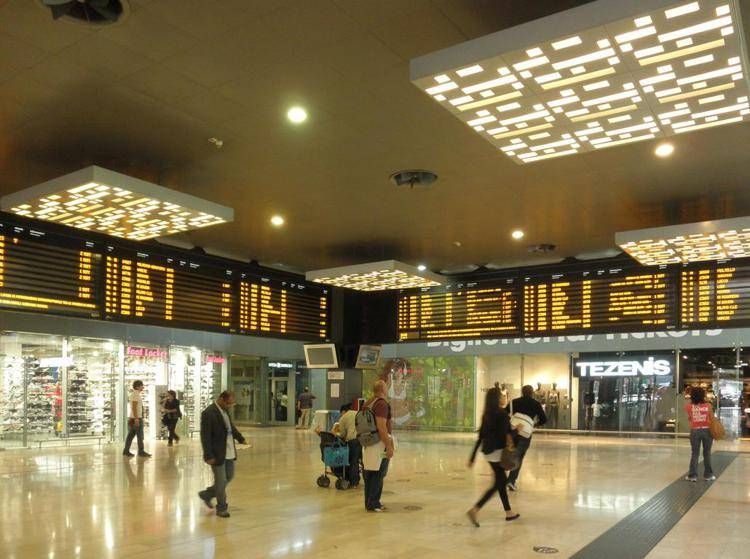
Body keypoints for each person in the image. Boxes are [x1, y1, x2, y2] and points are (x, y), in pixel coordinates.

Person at [466, 387, 519, 527]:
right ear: (497, 399)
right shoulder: (502, 414)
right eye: (502, 396)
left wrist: (472, 457)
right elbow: (504, 435)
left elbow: (480, 436)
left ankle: (509, 512)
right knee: (498, 483)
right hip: (498, 452)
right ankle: (475, 509)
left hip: (488, 453)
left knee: (500, 481)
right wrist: (516, 431)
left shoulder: (486, 414)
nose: (504, 397)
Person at [198, 391, 249, 517]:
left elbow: (231, 427)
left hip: (229, 451)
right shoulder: (209, 413)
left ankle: (207, 494)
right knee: (221, 481)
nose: (230, 406)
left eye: (231, 403)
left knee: (229, 476)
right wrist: (208, 455)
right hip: (217, 453)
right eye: (228, 403)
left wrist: (240, 438)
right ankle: (221, 508)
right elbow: (205, 436)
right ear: (221, 399)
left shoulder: (225, 411)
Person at [506, 384, 547, 491]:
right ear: (532, 393)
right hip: (525, 434)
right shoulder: (536, 404)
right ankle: (511, 480)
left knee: (510, 452)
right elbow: (544, 419)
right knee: (519, 456)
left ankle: (504, 477)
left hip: (513, 431)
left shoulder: (514, 402)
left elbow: (505, 414)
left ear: (522, 392)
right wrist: (533, 424)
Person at [362, 380, 395, 512]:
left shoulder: (368, 403)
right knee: (378, 473)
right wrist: (389, 445)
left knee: (369, 472)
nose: (388, 389)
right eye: (386, 387)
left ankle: (369, 502)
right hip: (379, 444)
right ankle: (375, 503)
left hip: (368, 443)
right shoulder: (381, 404)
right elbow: (381, 427)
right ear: (382, 389)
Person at [685, 386, 716, 482]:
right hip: (707, 431)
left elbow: (690, 419)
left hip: (695, 431)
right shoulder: (708, 406)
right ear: (703, 395)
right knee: (707, 453)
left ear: (692, 396)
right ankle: (708, 475)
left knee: (695, 453)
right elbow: (711, 418)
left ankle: (692, 476)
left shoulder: (688, 406)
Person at [123, 380, 151, 458]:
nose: (143, 387)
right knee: (139, 435)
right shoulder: (135, 395)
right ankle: (141, 451)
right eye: (142, 385)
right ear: (138, 386)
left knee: (130, 435)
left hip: (133, 417)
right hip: (136, 418)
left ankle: (126, 451)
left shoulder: (135, 394)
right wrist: (136, 419)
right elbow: (134, 407)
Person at [336, 403, 361, 487]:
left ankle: (353, 482)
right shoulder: (357, 413)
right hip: (363, 439)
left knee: (353, 461)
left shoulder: (343, 418)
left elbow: (343, 435)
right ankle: (358, 479)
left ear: (343, 411)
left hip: (352, 440)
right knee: (358, 460)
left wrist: (337, 434)